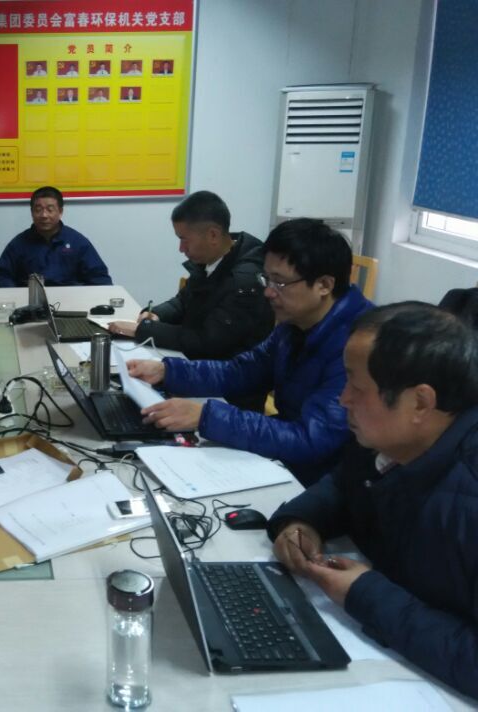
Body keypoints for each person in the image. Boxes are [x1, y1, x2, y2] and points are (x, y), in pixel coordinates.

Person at [268, 303, 478, 700]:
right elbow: (343, 485)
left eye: (356, 387)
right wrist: (301, 520)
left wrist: (365, 594)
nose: (343, 399)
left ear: (420, 402)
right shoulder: (392, 440)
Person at [127, 218, 374, 485]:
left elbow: (311, 441)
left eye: (279, 283)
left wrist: (206, 416)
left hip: (328, 480)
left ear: (324, 285)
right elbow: (241, 371)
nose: (268, 292)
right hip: (289, 459)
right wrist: (167, 371)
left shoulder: (358, 346)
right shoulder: (296, 323)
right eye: (267, 278)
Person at [108, 191, 273, 363]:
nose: (181, 249)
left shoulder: (244, 282)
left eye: (184, 240)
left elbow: (207, 341)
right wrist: (156, 314)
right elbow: (184, 300)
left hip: (226, 371)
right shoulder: (212, 259)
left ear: (213, 235)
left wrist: (142, 330)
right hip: (200, 362)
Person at [0, 186, 112, 287]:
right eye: (38, 209)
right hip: (30, 302)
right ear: (32, 212)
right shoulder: (19, 244)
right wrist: (17, 295)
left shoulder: (78, 242)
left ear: (60, 211)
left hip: (71, 301)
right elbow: (0, 276)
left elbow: (100, 278)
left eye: (50, 209)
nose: (44, 215)